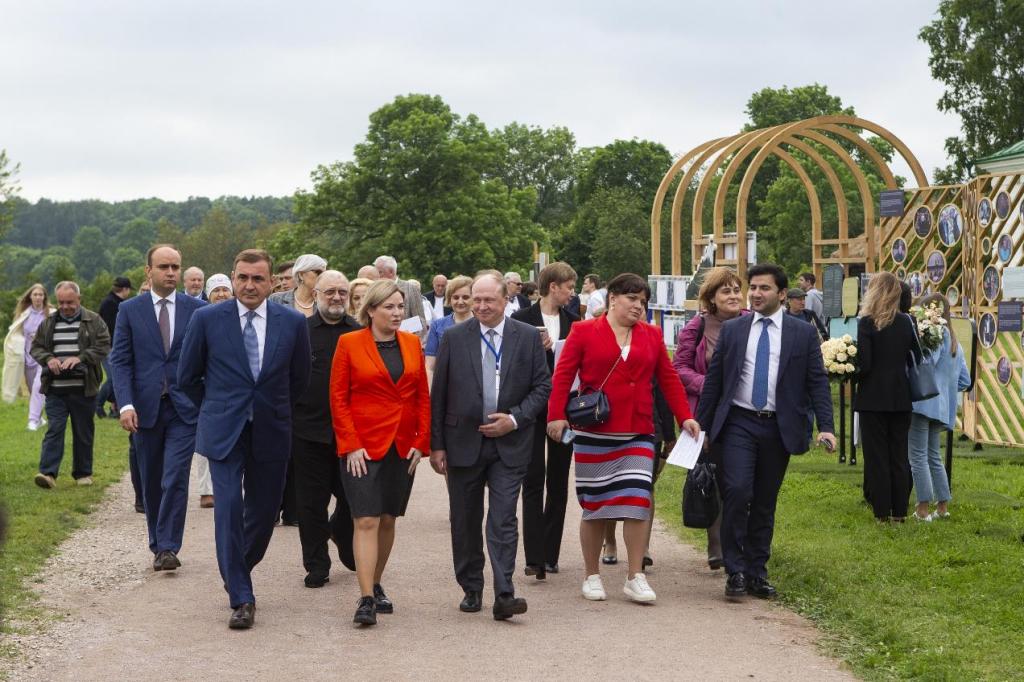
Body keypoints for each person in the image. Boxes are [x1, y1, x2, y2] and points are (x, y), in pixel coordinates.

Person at [177, 249, 311, 630]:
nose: (249, 285)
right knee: (229, 506)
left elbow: (298, 379)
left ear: (272, 282)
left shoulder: (291, 323)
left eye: (257, 278)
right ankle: (241, 594)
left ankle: (236, 566)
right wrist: (217, 407)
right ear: (233, 279)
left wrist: (272, 407)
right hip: (223, 430)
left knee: (265, 513)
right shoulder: (207, 319)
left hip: (272, 427)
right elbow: (188, 377)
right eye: (242, 278)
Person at [547, 273, 699, 604]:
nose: (638, 306)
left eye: (643, 301)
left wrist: (684, 416)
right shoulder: (583, 331)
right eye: (632, 298)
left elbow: (669, 379)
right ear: (613, 298)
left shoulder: (652, 335)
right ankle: (591, 575)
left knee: (637, 500)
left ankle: (635, 576)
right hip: (594, 431)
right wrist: (556, 415)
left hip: (639, 431)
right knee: (596, 505)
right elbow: (563, 375)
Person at [696, 264, 836, 601]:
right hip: (739, 423)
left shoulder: (801, 334)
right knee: (738, 491)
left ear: (782, 294)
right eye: (753, 288)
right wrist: (700, 427)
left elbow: (817, 381)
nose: (755, 294)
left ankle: (756, 571)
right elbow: (714, 383)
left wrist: (827, 427)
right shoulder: (734, 330)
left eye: (764, 289)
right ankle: (735, 570)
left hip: (778, 426)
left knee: (763, 501)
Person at [429, 273, 550, 620]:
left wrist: (514, 419)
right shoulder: (454, 337)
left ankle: (504, 592)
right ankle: (471, 586)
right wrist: (437, 445)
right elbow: (439, 396)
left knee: (502, 519)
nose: (480, 306)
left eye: (488, 301)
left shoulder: (526, 337)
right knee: (465, 519)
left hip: (510, 444)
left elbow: (542, 387)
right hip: (462, 442)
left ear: (505, 301)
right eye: (475, 300)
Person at [329, 279, 430, 626]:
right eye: (389, 307)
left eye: (401, 306)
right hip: (361, 446)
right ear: (370, 310)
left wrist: (422, 441)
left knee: (388, 518)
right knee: (367, 518)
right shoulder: (349, 343)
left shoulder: (411, 344)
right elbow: (338, 398)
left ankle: (375, 580)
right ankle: (366, 598)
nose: (397, 313)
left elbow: (422, 396)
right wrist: (350, 444)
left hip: (402, 446)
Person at [110, 245, 206, 571]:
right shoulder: (130, 310)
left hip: (184, 408)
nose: (171, 272)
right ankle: (157, 542)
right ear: (148, 271)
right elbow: (120, 361)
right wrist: (125, 404)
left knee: (175, 476)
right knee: (151, 480)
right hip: (145, 407)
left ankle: (168, 546)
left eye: (175, 267)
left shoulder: (198, 309)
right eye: (164, 266)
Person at [672, 266, 747, 570]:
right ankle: (716, 542)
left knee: (741, 480)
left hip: (745, 412)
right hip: (709, 413)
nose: (733, 296)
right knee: (714, 477)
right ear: (712, 298)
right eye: (726, 291)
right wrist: (711, 386)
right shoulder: (698, 326)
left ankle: (738, 542)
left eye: (736, 289)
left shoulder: (752, 324)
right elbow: (680, 368)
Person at [511, 262, 579, 579]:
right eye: (569, 287)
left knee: (559, 481)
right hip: (531, 410)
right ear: (554, 286)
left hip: (563, 412)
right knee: (533, 479)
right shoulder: (521, 319)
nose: (572, 292)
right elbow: (511, 364)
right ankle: (534, 556)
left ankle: (551, 553)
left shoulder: (575, 323)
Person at [294, 271, 359, 588]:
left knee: (352, 499)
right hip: (307, 431)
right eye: (330, 292)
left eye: (342, 293)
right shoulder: (300, 331)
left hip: (350, 435)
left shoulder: (361, 333)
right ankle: (317, 563)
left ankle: (343, 537)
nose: (336, 298)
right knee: (310, 502)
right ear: (315, 293)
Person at [855, 272, 922, 524]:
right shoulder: (907, 322)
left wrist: (850, 368)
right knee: (898, 455)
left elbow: (866, 363)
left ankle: (881, 512)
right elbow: (915, 355)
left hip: (873, 397)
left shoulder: (867, 322)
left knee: (876, 457)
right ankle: (900, 512)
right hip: (901, 395)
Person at [31, 281, 112, 489]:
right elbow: (36, 347)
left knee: (83, 431)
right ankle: (48, 474)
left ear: (79, 299)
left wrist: (81, 358)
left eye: (70, 302)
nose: (65, 306)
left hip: (84, 389)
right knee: (55, 429)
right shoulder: (48, 322)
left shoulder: (94, 321)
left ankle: (83, 474)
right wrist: (49, 359)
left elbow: (104, 345)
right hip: (55, 390)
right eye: (61, 302)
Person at [270, 254, 327, 526]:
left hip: (314, 383)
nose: (321, 275)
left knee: (303, 448)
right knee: (279, 446)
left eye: (324, 271)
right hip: (281, 380)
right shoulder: (277, 301)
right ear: (302, 275)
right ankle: (271, 505)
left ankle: (294, 508)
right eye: (317, 271)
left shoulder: (325, 304)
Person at [908, 294, 969, 521]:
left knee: (918, 457)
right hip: (943, 408)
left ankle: (922, 509)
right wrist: (946, 388)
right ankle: (942, 507)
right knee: (934, 456)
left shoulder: (932, 337)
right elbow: (965, 381)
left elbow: (926, 364)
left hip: (922, 403)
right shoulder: (956, 343)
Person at [192, 273, 234, 509]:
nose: (221, 294)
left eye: (224, 290)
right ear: (209, 294)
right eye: (216, 291)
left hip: (237, 390)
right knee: (207, 442)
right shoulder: (202, 318)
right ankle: (207, 491)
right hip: (209, 389)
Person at [3, 283, 54, 430]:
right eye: (35, 294)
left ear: (44, 297)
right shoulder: (24, 314)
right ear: (30, 297)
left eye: (41, 294)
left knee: (39, 386)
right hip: (27, 357)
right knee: (34, 390)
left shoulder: (51, 313)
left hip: (43, 357)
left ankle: (32, 421)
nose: (38, 297)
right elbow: (16, 333)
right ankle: (39, 418)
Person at [95, 277, 132, 419]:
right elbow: (112, 327)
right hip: (108, 347)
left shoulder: (114, 302)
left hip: (112, 346)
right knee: (114, 377)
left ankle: (116, 408)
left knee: (117, 377)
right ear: (125, 289)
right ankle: (98, 403)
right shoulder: (111, 304)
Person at [424, 275, 474, 372]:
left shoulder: (482, 324)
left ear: (473, 298)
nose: (460, 302)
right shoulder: (437, 325)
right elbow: (430, 367)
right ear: (449, 299)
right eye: (455, 297)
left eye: (465, 297)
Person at [374, 256, 427, 340]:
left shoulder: (410, 288)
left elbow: (421, 321)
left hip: (406, 343)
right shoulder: (375, 290)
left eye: (380, 272)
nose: (376, 277)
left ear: (391, 272)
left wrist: (414, 344)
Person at [269, 253, 327, 320]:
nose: (322, 276)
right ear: (301, 275)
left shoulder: (324, 301)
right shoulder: (276, 299)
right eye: (318, 272)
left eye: (324, 273)